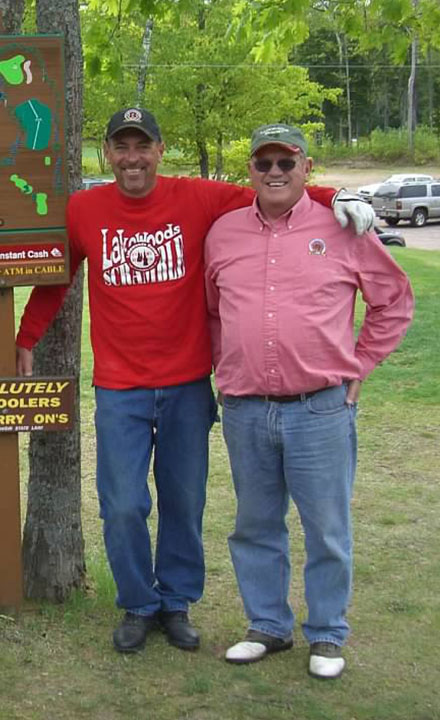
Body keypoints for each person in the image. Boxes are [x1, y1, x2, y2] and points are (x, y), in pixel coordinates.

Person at [15, 107, 375, 654]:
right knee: (122, 503)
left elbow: (276, 188)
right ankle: (138, 603)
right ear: (107, 153)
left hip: (187, 383)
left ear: (160, 150)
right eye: (121, 147)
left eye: (143, 147)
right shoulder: (84, 209)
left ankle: (177, 603)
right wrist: (25, 339)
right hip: (119, 387)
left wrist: (334, 197)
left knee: (183, 500)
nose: (132, 159)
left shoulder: (199, 198)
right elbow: (57, 279)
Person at [205, 123, 413, 679]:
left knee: (326, 528)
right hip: (246, 407)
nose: (274, 172)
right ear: (249, 169)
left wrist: (361, 364)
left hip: (319, 408)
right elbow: (212, 312)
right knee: (254, 524)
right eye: (263, 162)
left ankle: (326, 634)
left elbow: (392, 301)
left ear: (307, 167)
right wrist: (224, 369)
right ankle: (267, 627)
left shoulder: (343, 228)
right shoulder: (223, 233)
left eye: (286, 162)